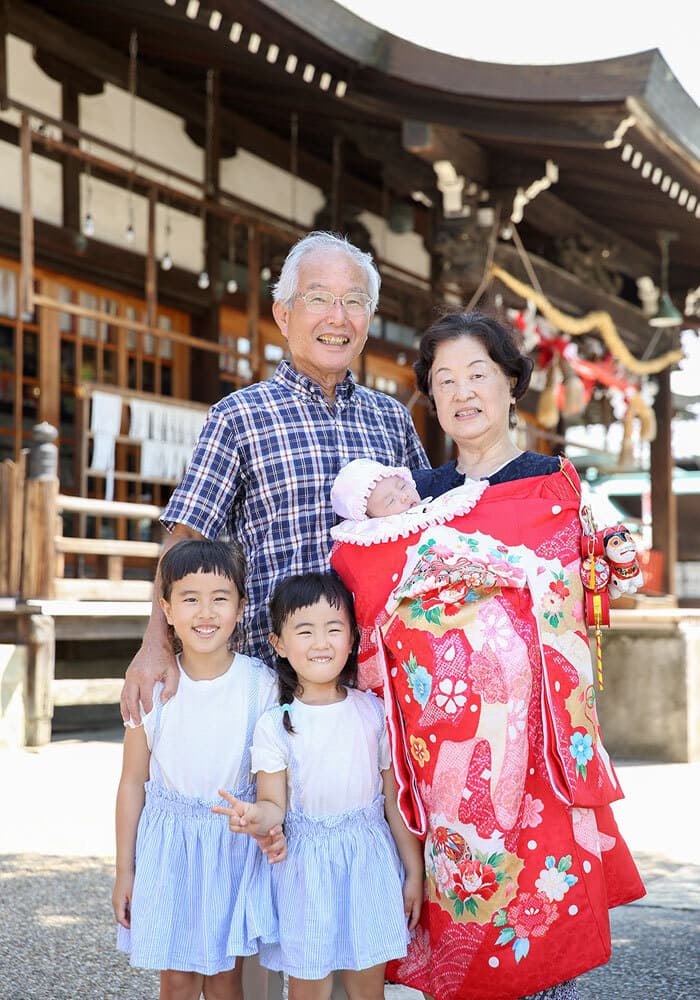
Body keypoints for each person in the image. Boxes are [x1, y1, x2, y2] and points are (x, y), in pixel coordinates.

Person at [330, 310, 645, 1000]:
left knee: (543, 935)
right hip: (450, 760)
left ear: (510, 385)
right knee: (467, 926)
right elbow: (379, 610)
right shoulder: (416, 503)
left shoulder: (555, 486)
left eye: (478, 374)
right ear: (433, 399)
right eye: (445, 380)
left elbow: (594, 581)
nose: (462, 392)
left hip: (539, 749)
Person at [121, 230, 428, 725]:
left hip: (376, 685)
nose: (338, 316)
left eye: (354, 301)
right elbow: (185, 538)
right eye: (319, 299)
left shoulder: (392, 419)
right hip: (270, 687)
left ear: (369, 319)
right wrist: (155, 643)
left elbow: (428, 532)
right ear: (283, 315)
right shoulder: (238, 416)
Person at [214, 573, 424, 1000]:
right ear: (278, 644)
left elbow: (393, 803)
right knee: (310, 986)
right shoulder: (275, 725)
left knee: (367, 986)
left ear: (352, 638)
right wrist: (256, 817)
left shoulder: (373, 711)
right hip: (305, 867)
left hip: (369, 861)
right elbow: (274, 804)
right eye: (304, 631)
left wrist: (414, 871)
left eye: (334, 628)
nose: (321, 642)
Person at [113, 539, 282, 1000]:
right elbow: (132, 783)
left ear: (241, 607)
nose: (205, 613)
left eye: (219, 599)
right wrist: (124, 871)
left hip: (232, 846)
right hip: (170, 849)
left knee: (228, 979)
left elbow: (272, 780)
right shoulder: (152, 688)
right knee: (178, 980)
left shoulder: (260, 684)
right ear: (166, 609)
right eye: (190, 599)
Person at [330, 457, 421, 520]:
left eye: (402, 486)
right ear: (370, 518)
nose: (404, 496)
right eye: (391, 501)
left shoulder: (432, 508)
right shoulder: (379, 538)